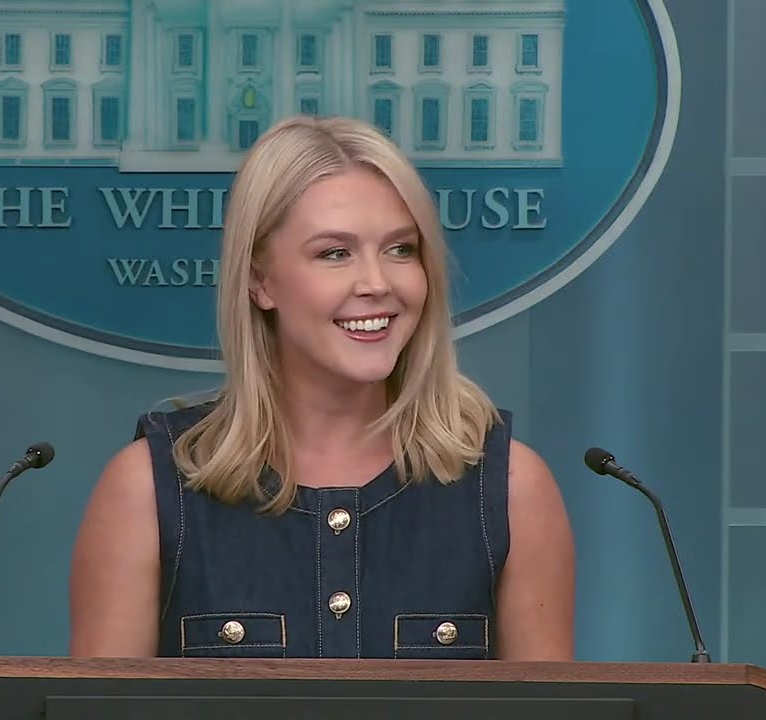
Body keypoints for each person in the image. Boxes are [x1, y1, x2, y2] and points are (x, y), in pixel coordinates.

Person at [69, 115, 575, 660]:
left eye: (401, 249)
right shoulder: (145, 488)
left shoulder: (512, 488)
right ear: (260, 280)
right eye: (335, 253)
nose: (377, 283)